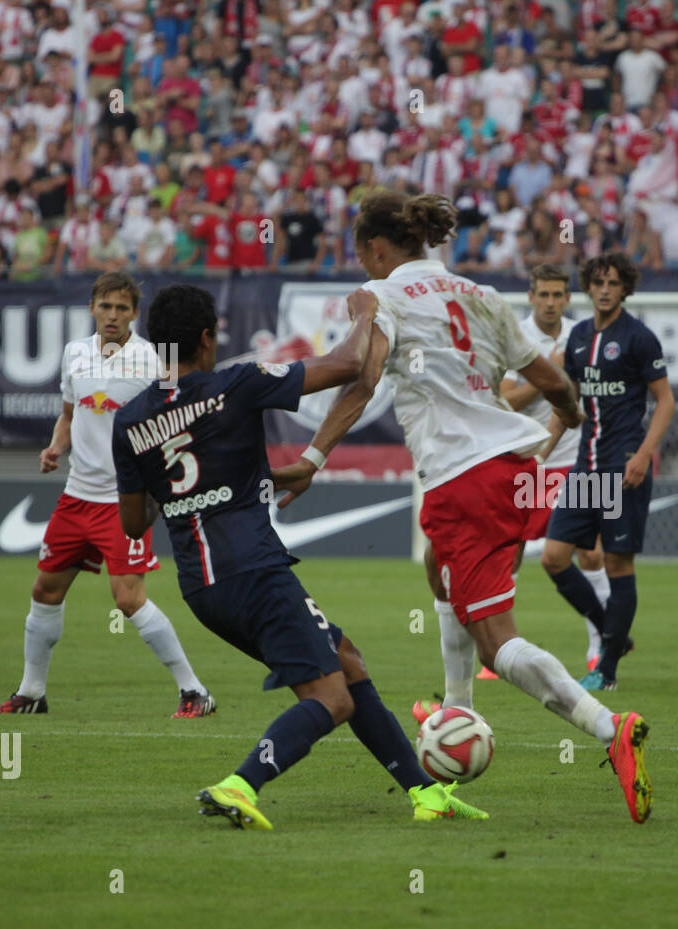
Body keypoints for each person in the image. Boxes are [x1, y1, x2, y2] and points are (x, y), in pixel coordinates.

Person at [274, 190, 653, 824]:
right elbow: (555, 382)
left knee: (495, 644)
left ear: (376, 248)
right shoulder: (482, 295)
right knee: (437, 570)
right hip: (508, 467)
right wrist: (570, 416)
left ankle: (608, 726)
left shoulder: (384, 297)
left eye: (361, 253)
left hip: (462, 480)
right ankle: (455, 705)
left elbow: (361, 380)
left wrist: (312, 459)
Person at [113, 283, 487, 829]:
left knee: (348, 661)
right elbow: (346, 364)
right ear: (205, 338)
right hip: (254, 570)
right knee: (334, 698)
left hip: (203, 586)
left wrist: (199, 487)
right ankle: (239, 785)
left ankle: (424, 792)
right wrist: (362, 315)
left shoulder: (130, 422)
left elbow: (133, 522)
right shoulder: (237, 384)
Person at [0, 273, 214, 720]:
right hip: (76, 497)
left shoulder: (156, 358)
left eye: (122, 308)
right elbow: (69, 414)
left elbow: (181, 415)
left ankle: (195, 691)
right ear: (92, 307)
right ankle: (32, 693)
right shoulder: (75, 353)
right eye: (106, 306)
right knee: (45, 591)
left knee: (128, 599)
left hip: (125, 501)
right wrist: (56, 447)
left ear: (135, 314)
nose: (113, 316)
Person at [539, 252, 675, 694]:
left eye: (613, 283)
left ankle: (607, 669)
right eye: (598, 282)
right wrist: (538, 454)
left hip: (623, 469)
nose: (604, 289)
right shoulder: (577, 337)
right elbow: (568, 405)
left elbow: (665, 402)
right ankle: (612, 631)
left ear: (624, 289)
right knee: (553, 557)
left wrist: (643, 455)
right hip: (586, 467)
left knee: (616, 564)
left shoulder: (639, 338)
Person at [486, 264, 607, 677]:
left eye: (558, 295)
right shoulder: (514, 338)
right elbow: (504, 404)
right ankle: (499, 649)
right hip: (528, 460)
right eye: (544, 295)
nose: (551, 303)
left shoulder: (584, 334)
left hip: (579, 460)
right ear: (531, 296)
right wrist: (548, 374)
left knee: (591, 551)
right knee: (509, 552)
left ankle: (599, 646)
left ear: (568, 298)